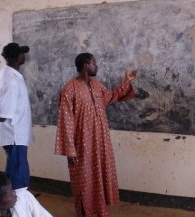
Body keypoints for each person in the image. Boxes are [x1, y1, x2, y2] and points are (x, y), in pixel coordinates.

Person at [55, 52, 137, 217]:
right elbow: (65, 121)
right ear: (86, 65)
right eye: (94, 63)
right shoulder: (69, 89)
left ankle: (101, 210)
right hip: (82, 144)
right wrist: (70, 150)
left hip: (101, 142)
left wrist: (126, 81)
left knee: (100, 175)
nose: (96, 66)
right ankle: (85, 212)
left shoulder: (97, 85)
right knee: (84, 180)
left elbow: (112, 96)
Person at [0, 43, 33, 190]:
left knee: (17, 170)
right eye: (22, 54)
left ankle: (14, 203)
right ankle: (16, 206)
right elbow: (4, 114)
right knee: (18, 176)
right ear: (17, 58)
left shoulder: (7, 74)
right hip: (14, 135)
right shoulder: (12, 80)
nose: (24, 56)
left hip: (15, 135)